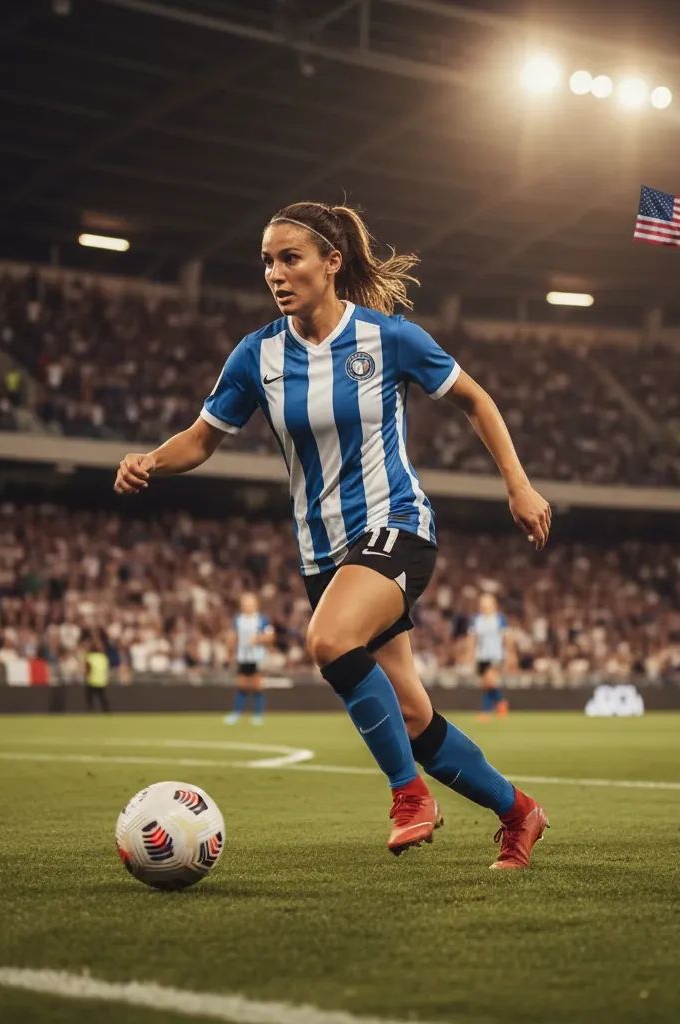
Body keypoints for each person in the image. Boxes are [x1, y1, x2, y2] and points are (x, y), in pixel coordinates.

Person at [115, 201, 552, 869]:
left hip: (397, 524)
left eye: (290, 258)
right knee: (411, 717)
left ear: (331, 263)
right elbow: (202, 439)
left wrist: (518, 485)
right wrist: (151, 459)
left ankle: (410, 796)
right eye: (266, 261)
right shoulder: (256, 355)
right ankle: (519, 813)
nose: (275, 273)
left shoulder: (388, 338)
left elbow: (476, 400)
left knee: (328, 639)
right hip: (323, 551)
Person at [224, 592, 275, 726]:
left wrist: (258, 639)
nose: (247, 605)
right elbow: (233, 636)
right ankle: (236, 713)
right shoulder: (237, 619)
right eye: (245, 603)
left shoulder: (262, 619)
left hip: (257, 657)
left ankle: (258, 715)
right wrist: (229, 652)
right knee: (241, 685)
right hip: (243, 656)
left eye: (250, 602)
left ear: (255, 604)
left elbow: (270, 637)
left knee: (257, 685)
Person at [469, 592, 511, 720]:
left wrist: (509, 653)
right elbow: (472, 638)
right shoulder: (477, 619)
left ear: (493, 605)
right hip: (481, 656)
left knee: (489, 681)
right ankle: (501, 702)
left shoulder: (499, 619)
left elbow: (507, 637)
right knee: (486, 684)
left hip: (495, 655)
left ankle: (486, 711)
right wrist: (470, 653)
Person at [85, 633, 111, 713]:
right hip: (101, 680)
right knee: (102, 697)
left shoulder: (89, 656)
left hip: (92, 680)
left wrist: (87, 676)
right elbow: (106, 669)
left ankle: (91, 711)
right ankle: (106, 711)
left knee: (90, 697)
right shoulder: (103, 657)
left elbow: (87, 668)